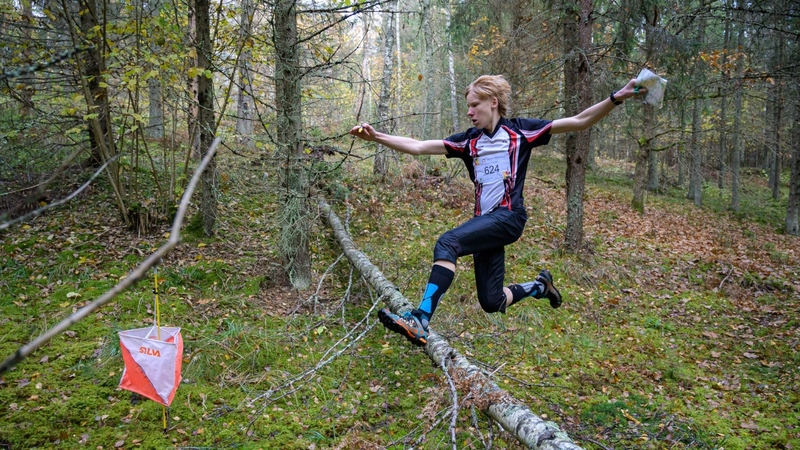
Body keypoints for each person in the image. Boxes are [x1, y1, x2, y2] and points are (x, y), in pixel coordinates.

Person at [349, 75, 645, 347]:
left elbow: (580, 121)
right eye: (468, 106)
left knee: (447, 242)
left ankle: (420, 318)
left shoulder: (521, 132)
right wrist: (377, 137)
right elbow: (417, 146)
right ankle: (540, 287)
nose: (469, 112)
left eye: (474, 105)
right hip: (486, 223)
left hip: (509, 217)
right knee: (491, 301)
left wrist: (618, 96)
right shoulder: (468, 141)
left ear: (493, 103)